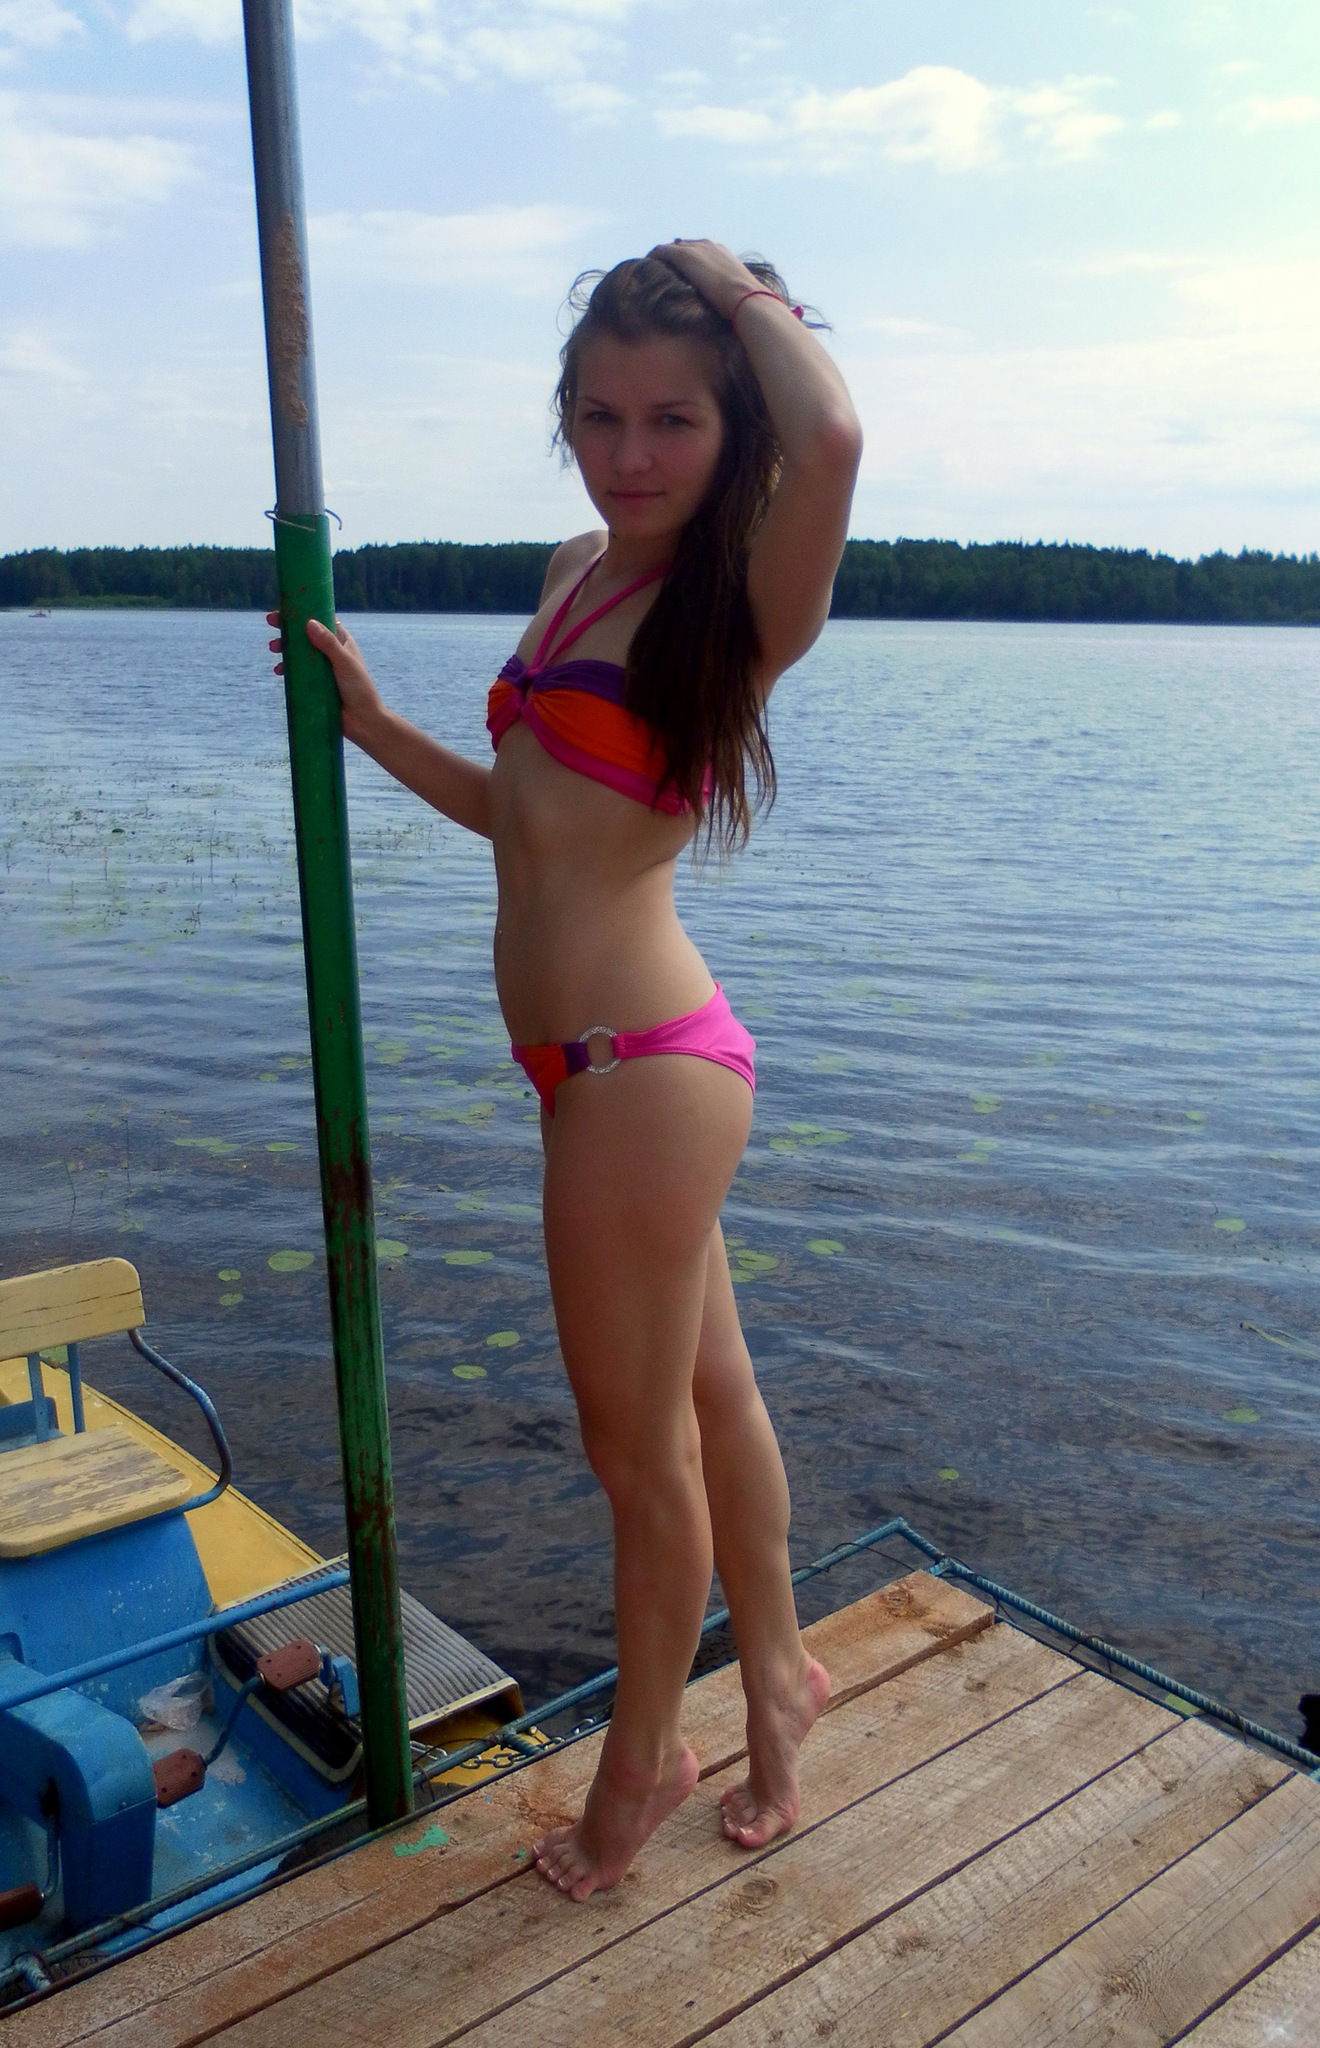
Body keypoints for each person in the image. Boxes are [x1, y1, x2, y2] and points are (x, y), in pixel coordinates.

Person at [272, 240, 861, 1901]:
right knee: (713, 1405)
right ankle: (779, 1687)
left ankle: (640, 1770)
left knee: (635, 1463)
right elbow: (529, 822)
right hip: (601, 1071)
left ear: (732, 426)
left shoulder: (739, 603)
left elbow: (832, 439)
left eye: (675, 420)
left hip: (637, 1073)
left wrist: (734, 289)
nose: (631, 454)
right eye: (600, 416)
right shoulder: (574, 570)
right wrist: (375, 727)